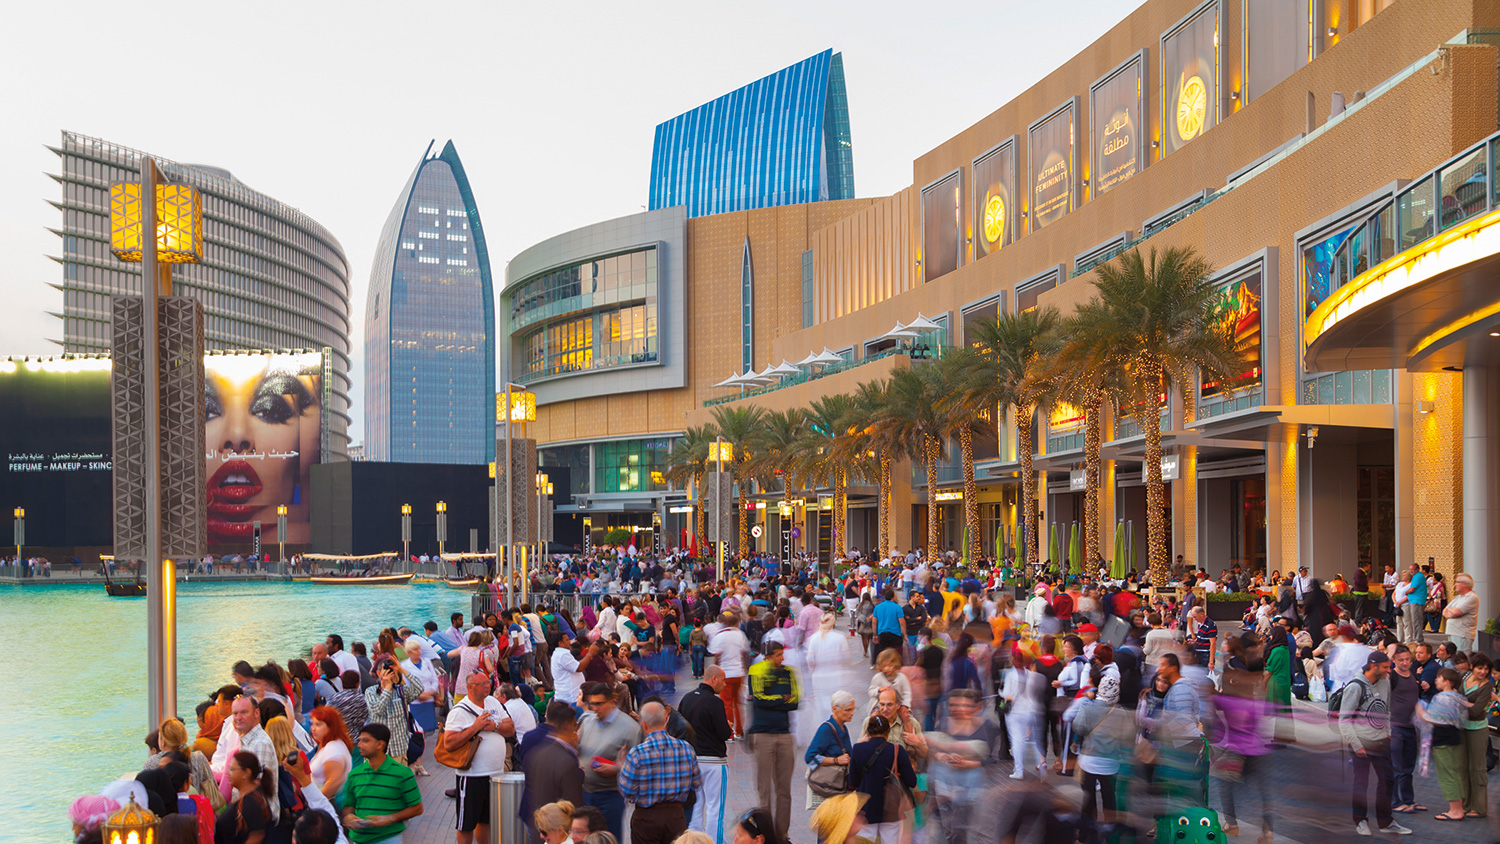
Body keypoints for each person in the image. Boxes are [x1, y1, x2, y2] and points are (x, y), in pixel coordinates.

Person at [1337, 651, 1410, 835]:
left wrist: (1388, 733)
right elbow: (1344, 720)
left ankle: (1386, 821)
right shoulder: (1355, 687)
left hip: (1381, 741)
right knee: (1361, 783)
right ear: (1373, 666)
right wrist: (1356, 745)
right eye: (1385, 667)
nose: (1389, 670)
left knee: (1387, 781)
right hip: (1361, 742)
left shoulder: (1385, 682)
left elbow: (1387, 710)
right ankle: (1360, 820)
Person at [445, 673, 516, 844]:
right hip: (472, 776)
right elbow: (449, 743)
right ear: (470, 687)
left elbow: (510, 728)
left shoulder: (493, 702)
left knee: (486, 820)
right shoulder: (459, 711)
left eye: (488, 682)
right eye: (482, 684)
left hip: (495, 775)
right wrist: (475, 727)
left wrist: (495, 726)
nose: (487, 686)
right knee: (466, 824)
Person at [619, 702, 702, 844]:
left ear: (644, 724)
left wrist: (622, 768)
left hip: (646, 818)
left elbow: (627, 790)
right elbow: (696, 783)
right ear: (665, 720)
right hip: (676, 816)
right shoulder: (686, 748)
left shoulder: (637, 753)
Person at [748, 641, 800, 841]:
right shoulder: (756, 671)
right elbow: (758, 700)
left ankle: (782, 834)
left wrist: (776, 700)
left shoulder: (789, 672)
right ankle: (767, 834)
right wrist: (782, 699)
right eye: (778, 655)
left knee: (784, 789)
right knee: (764, 790)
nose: (782, 658)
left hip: (784, 734)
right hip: (762, 735)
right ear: (768, 656)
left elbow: (795, 701)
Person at [578, 682, 643, 841]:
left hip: (610, 795)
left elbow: (638, 768)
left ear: (613, 701)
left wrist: (616, 770)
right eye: (591, 704)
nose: (594, 708)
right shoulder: (588, 721)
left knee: (608, 839)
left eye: (599, 704)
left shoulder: (630, 728)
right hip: (585, 793)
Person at [343, 723, 423, 844]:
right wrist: (349, 817)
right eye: (360, 740)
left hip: (388, 839)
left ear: (380, 744)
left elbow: (417, 808)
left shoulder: (402, 774)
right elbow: (349, 806)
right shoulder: (354, 775)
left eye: (365, 741)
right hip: (358, 839)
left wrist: (390, 818)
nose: (359, 745)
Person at [679, 666, 733, 841]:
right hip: (714, 762)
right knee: (715, 809)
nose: (725, 685)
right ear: (714, 679)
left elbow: (680, 727)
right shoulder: (715, 702)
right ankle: (715, 841)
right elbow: (724, 733)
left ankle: (693, 842)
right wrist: (728, 726)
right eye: (723, 680)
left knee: (695, 807)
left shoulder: (687, 698)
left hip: (692, 761)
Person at [849, 714, 917, 844]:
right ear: (887, 732)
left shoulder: (857, 749)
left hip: (865, 809)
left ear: (868, 732)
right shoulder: (897, 750)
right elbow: (912, 782)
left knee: (865, 841)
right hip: (891, 810)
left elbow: (853, 782)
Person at [523, 702, 586, 842]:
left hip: (535, 816)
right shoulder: (566, 759)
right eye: (575, 724)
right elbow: (573, 803)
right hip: (554, 825)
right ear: (567, 725)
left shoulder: (536, 747)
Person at [1418, 668, 1472, 822]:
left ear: (1447, 681)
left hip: (1442, 739)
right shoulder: (1459, 698)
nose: (1436, 680)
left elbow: (1431, 718)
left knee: (1446, 775)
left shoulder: (1440, 698)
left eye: (1439, 677)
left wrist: (1420, 711)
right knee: (1455, 773)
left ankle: (1455, 810)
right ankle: (1459, 807)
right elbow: (1463, 719)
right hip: (1455, 737)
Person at [363, 653, 424, 766]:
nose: (390, 673)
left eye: (392, 671)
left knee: (398, 777)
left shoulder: (401, 692)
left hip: (398, 749)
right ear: (378, 673)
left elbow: (419, 688)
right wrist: (387, 688)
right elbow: (377, 710)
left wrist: (401, 669)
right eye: (386, 670)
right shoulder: (370, 691)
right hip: (377, 750)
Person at [802, 612, 850, 745]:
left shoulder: (813, 638)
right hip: (836, 678)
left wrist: (813, 671)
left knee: (820, 710)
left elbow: (810, 660)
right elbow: (846, 658)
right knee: (835, 707)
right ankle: (836, 735)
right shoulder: (840, 638)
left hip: (818, 679)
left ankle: (823, 736)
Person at [1387, 645, 1422, 815]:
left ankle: (1408, 800)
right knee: (1396, 766)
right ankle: (1394, 801)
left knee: (1408, 767)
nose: (1405, 662)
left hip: (1411, 726)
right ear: (1394, 660)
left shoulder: (1413, 675)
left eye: (1407, 659)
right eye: (1401, 660)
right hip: (1396, 726)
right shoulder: (1391, 677)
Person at [805, 690, 857, 805]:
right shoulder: (826, 729)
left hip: (839, 786)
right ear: (835, 709)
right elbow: (810, 758)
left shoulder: (843, 727)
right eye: (848, 710)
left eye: (853, 709)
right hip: (830, 787)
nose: (852, 713)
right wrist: (835, 760)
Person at [1461, 652, 1493, 818]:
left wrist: (1460, 702)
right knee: (1463, 766)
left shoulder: (1486, 686)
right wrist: (1466, 703)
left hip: (1477, 729)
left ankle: (1479, 807)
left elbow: (1476, 711)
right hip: (1462, 728)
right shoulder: (1463, 677)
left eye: (1486, 669)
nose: (1483, 672)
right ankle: (1465, 804)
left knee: (1477, 768)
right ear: (1472, 667)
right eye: (1480, 668)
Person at [215, 751, 273, 844]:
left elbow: (257, 837)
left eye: (232, 769)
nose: (227, 773)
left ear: (246, 773)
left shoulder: (251, 802)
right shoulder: (252, 794)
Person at [308, 706, 354, 801]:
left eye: (318, 725)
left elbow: (334, 781)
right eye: (312, 724)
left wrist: (316, 802)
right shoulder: (328, 745)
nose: (313, 729)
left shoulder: (333, 749)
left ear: (331, 726)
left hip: (330, 804)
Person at [1444, 573, 1479, 651]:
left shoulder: (1471, 597)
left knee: (1461, 657)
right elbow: (1444, 611)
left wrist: (1452, 611)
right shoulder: (1458, 597)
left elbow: (1456, 612)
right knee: (1452, 656)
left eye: (1457, 582)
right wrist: (1452, 612)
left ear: (1465, 584)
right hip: (1453, 632)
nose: (1455, 584)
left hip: (1462, 635)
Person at [870, 589, 905, 668]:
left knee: (884, 653)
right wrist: (905, 634)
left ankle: (885, 667)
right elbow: (902, 622)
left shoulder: (878, 607)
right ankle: (895, 667)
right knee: (896, 653)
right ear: (893, 597)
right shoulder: (898, 607)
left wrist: (875, 634)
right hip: (896, 634)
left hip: (882, 634)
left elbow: (874, 622)